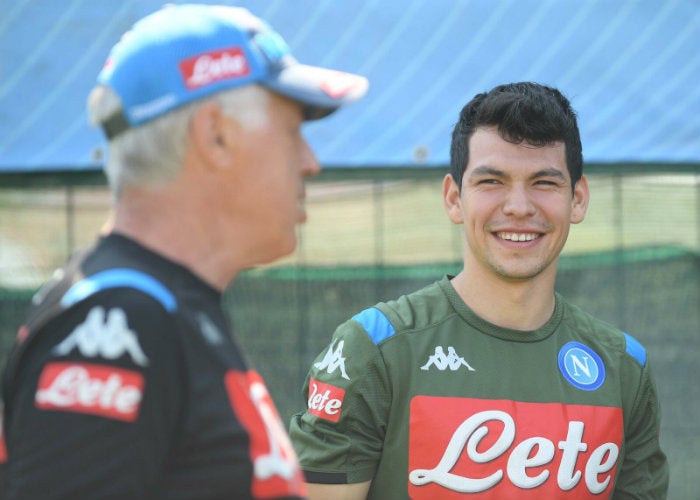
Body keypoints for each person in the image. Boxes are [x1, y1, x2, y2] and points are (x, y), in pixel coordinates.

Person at [0, 4, 367, 499]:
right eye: (291, 132)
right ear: (214, 135)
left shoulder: (154, 307)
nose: (311, 162)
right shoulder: (118, 321)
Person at [289, 82, 669, 499]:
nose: (519, 207)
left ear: (577, 199)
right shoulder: (375, 351)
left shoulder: (624, 368)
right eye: (492, 181)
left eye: (544, 182)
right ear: (454, 199)